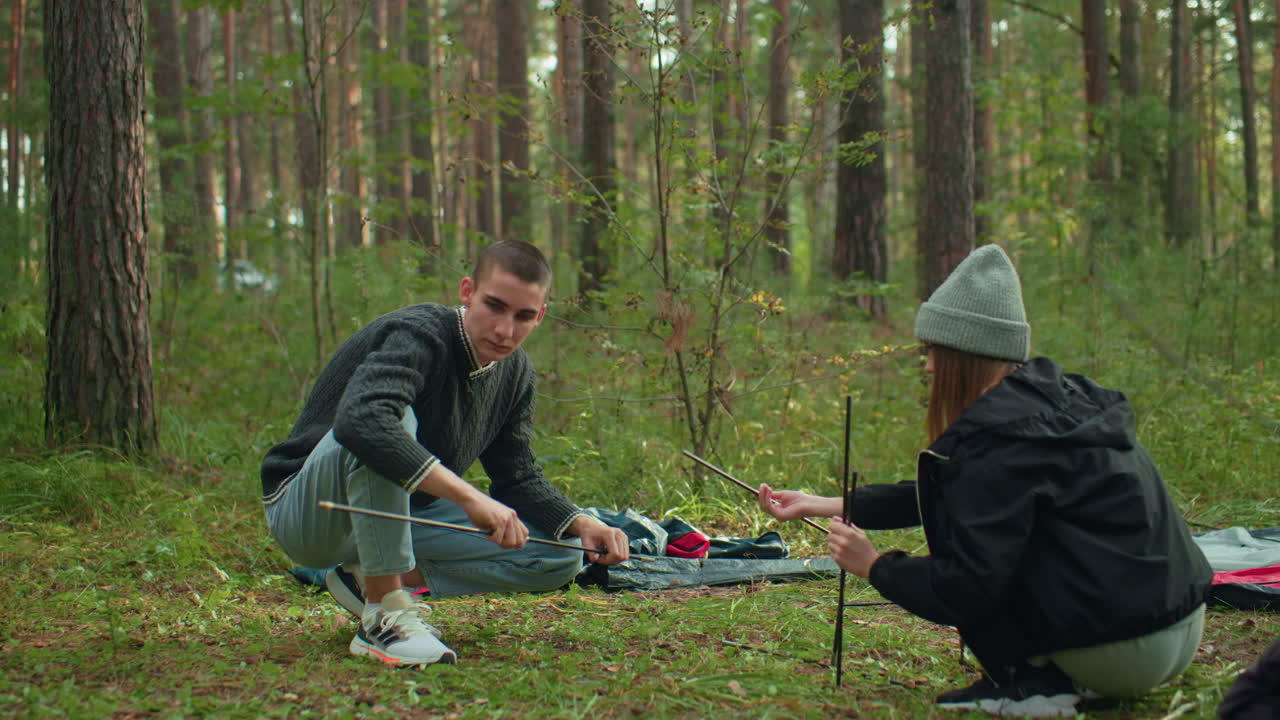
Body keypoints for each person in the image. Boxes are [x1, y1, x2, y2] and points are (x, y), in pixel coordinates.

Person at [757, 244, 1212, 717]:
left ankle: (1036, 687)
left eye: (935, 352)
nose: (928, 366)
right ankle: (1059, 675)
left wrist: (874, 566)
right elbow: (965, 491)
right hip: (1177, 624)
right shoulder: (1056, 405)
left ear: (965, 356)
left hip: (1117, 651)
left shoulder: (998, 441)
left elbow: (966, 587)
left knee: (989, 559)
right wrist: (827, 503)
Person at [261, 240, 630, 667]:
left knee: (562, 550)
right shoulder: (421, 335)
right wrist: (470, 497)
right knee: (391, 423)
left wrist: (582, 520)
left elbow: (517, 476)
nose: (505, 330)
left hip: (397, 515)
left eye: (523, 316)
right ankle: (384, 615)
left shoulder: (515, 373)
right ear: (468, 291)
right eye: (494, 306)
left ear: (540, 315)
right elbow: (362, 422)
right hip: (311, 512)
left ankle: (365, 580)